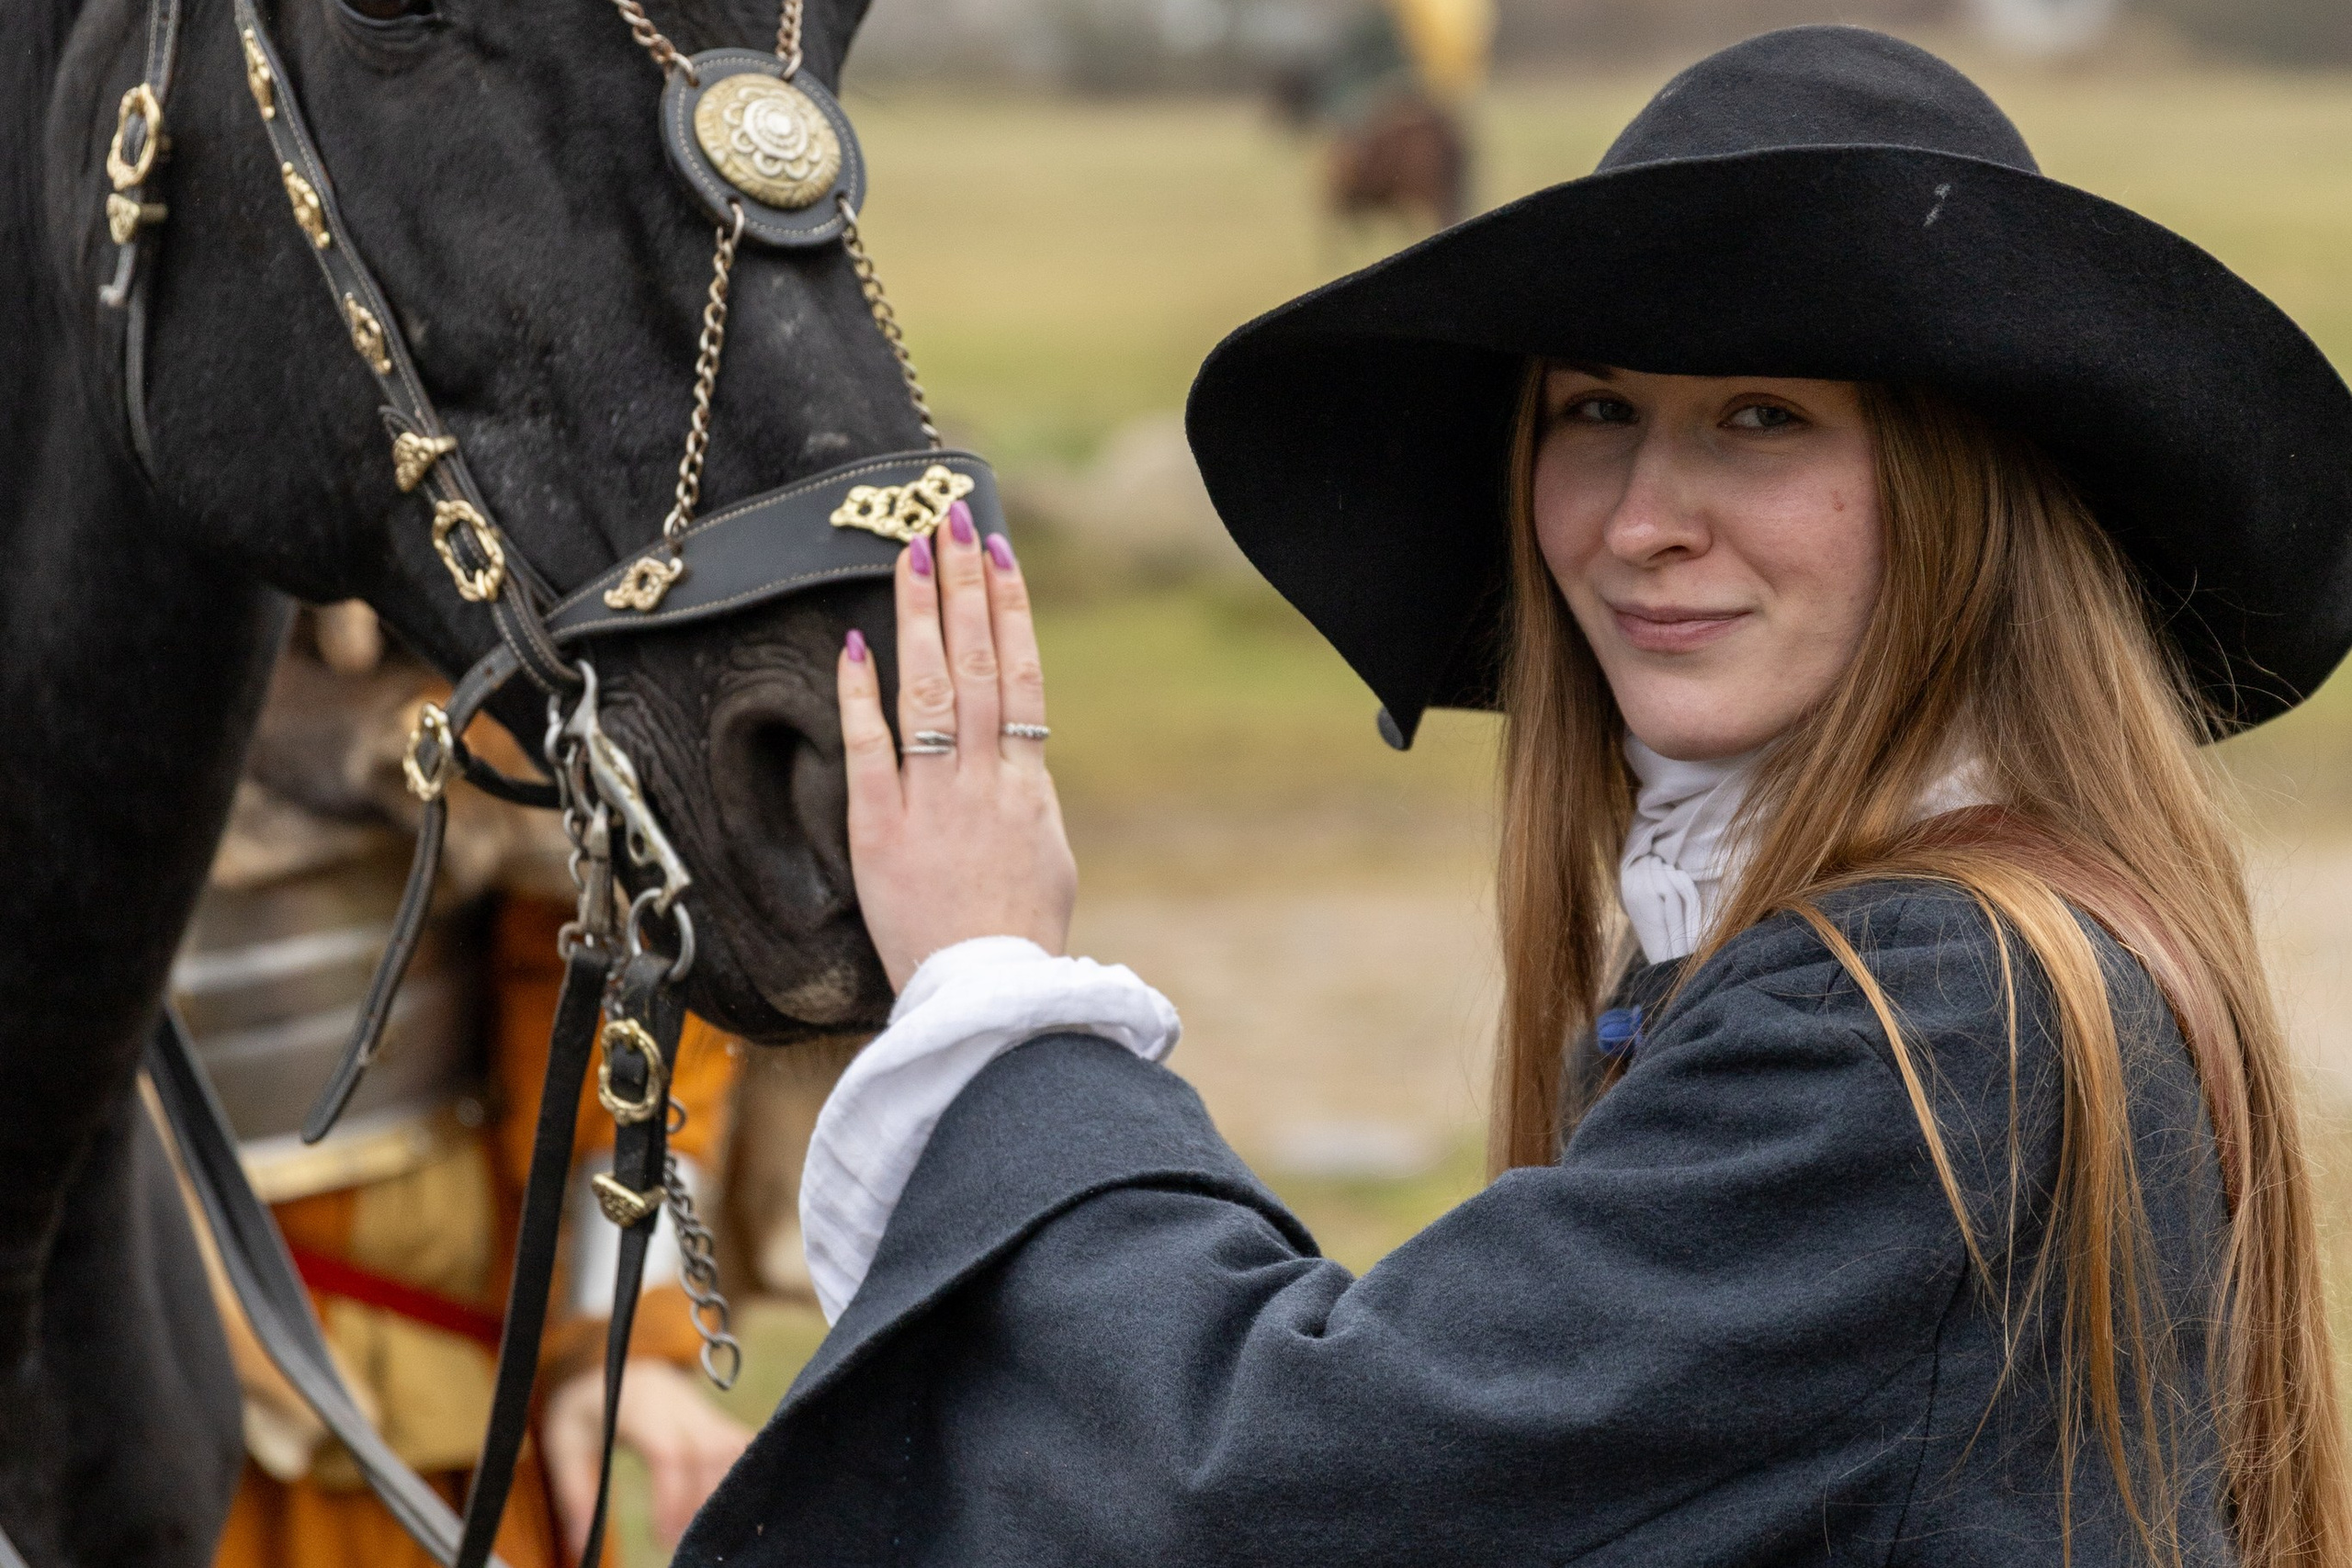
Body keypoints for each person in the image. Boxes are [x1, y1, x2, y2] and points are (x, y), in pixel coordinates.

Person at [677, 26, 2352, 1566]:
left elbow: (1277, 1485)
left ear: (1963, 496)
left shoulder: (1931, 1020)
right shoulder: (1883, 951)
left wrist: (1001, 1003)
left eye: (1761, 418)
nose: (1639, 518)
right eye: (1597, 411)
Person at [177, 607, 753, 1568]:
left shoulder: (471, 663)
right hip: (95, 1339)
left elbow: (622, 1017)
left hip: (426, 1376)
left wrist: (613, 1342)